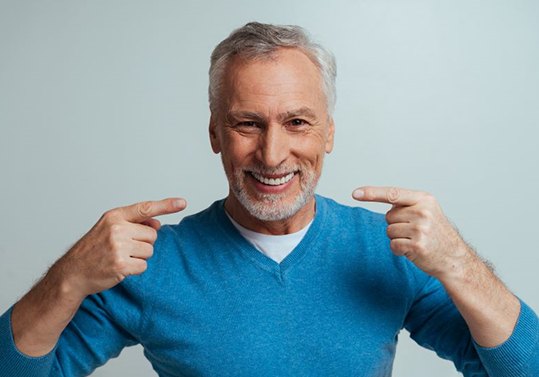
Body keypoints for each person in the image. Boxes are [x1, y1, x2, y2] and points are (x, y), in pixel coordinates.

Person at [0, 22, 537, 377]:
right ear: (215, 134)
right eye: (247, 124)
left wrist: (459, 265)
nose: (272, 153)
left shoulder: (387, 251)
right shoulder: (149, 263)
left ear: (328, 132)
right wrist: (68, 277)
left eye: (297, 122)